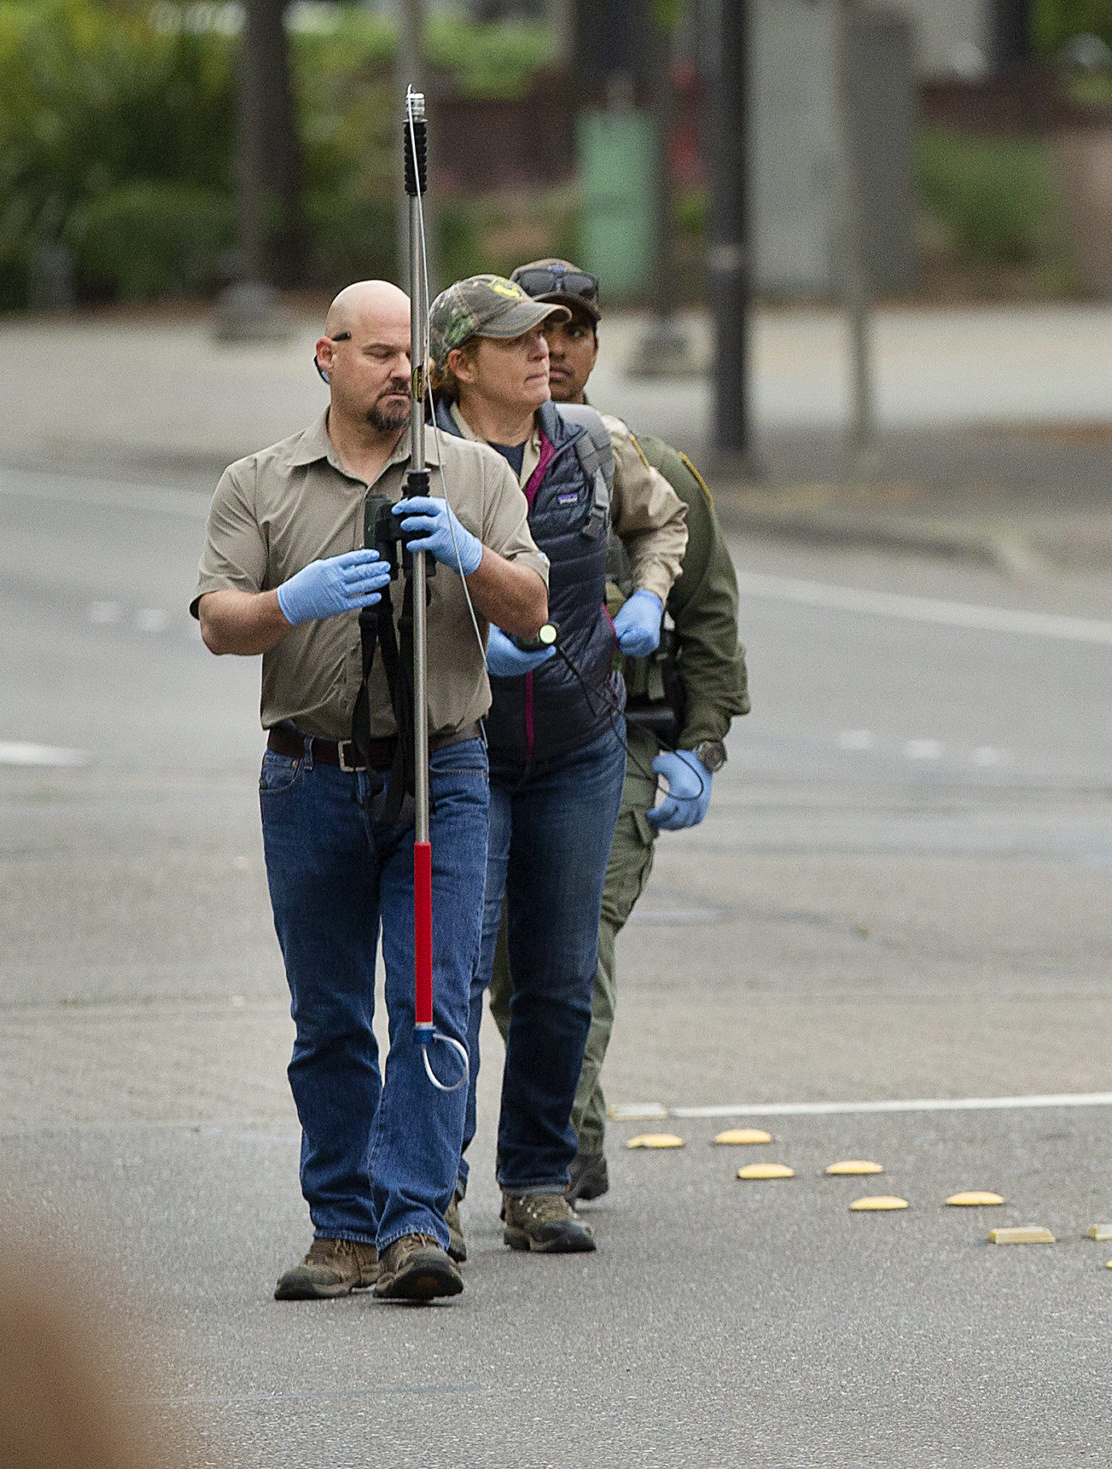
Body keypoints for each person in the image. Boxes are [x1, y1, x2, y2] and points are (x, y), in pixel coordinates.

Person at [192, 280, 550, 1302]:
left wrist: (469, 554)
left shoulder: (469, 474)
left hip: (442, 776)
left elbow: (533, 608)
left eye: (411, 357)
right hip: (310, 779)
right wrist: (285, 602)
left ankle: (412, 1217)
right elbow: (219, 618)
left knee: (430, 1001)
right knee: (331, 1016)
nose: (402, 371)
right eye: (380, 353)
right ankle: (340, 1225)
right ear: (326, 356)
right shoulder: (259, 481)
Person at [424, 274, 688, 1257]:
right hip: (462, 747)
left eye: (551, 338)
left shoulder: (588, 440)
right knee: (452, 968)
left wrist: (652, 595)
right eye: (519, 341)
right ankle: (430, 1187)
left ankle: (536, 1179)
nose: (546, 352)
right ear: (461, 365)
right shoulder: (421, 464)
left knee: (560, 974)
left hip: (580, 741)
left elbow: (664, 522)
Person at [489, 258, 751, 1202]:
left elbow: (713, 615)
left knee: (578, 935)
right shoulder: (472, 459)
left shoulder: (645, 464)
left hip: (622, 741)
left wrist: (701, 744)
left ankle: (561, 1146)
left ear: (597, 346)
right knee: (512, 970)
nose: (551, 350)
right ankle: (557, 1130)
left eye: (572, 332)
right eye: (531, 334)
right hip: (499, 735)